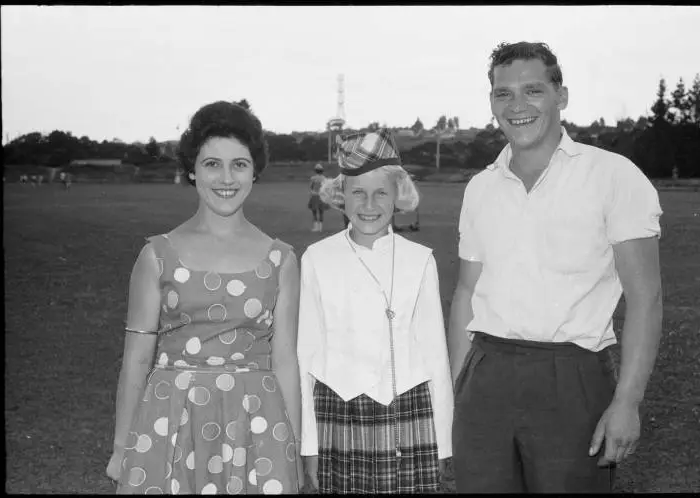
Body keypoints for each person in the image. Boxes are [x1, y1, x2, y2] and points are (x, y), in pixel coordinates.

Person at [448, 41, 663, 493]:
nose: (517, 106)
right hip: (486, 376)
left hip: (572, 376)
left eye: (533, 91)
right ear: (491, 103)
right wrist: (459, 387)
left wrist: (627, 401)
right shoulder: (480, 187)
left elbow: (646, 298)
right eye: (503, 94)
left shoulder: (613, 175)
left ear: (560, 96)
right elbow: (466, 291)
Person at [106, 101, 303, 494]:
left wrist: (291, 448)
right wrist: (120, 446)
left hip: (255, 422)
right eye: (212, 164)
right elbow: (137, 359)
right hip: (170, 418)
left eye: (239, 164)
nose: (226, 177)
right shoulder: (157, 256)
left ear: (254, 171)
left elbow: (284, 360)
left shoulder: (281, 259)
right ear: (192, 170)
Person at [297, 128, 453, 493]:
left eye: (381, 192)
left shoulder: (421, 261)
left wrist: (443, 440)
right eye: (358, 192)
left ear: (398, 195)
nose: (369, 204)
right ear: (342, 196)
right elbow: (306, 354)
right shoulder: (317, 259)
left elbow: (435, 354)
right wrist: (309, 444)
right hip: (339, 412)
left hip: (408, 413)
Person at [307, 163, 327, 232]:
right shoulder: (324, 178)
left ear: (315, 171)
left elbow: (311, 187)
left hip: (314, 196)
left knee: (314, 212)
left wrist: (311, 194)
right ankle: (320, 228)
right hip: (322, 196)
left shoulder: (313, 178)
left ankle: (316, 227)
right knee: (321, 212)